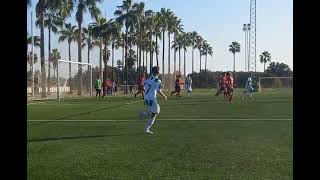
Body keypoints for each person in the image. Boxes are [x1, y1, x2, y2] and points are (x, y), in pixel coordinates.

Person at [139, 66, 167, 134]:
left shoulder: (147, 80)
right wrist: (164, 96)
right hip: (152, 99)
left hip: (146, 99)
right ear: (158, 72)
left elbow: (143, 87)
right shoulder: (157, 80)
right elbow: (158, 91)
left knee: (152, 112)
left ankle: (145, 114)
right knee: (155, 113)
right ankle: (146, 127)